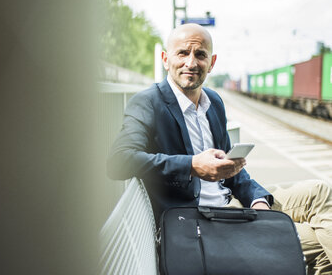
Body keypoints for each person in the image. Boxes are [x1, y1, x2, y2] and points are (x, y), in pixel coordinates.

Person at [107, 23, 332, 274]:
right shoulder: (147, 102)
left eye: (200, 55)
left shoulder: (213, 101)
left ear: (212, 62)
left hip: (232, 204)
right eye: (182, 53)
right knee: (320, 241)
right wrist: (192, 165)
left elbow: (233, 172)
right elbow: (119, 160)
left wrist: (257, 200)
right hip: (199, 220)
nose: (191, 63)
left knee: (320, 191)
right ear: (165, 59)